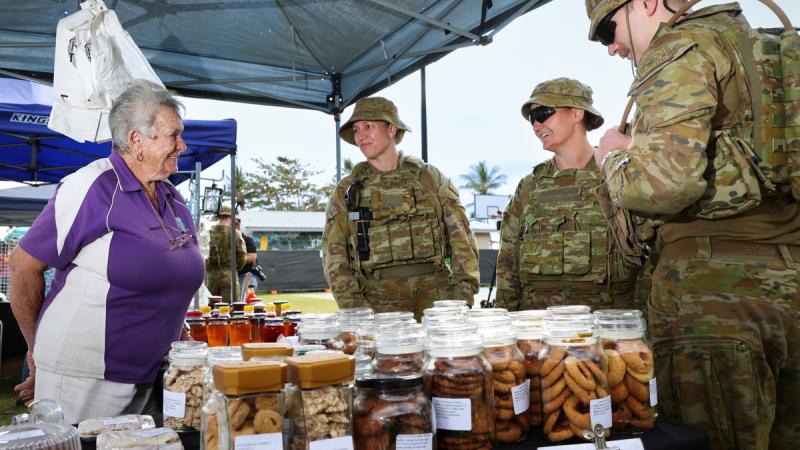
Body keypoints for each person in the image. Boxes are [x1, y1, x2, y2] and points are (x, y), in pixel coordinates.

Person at [585, 1, 800, 448]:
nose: (612, 48)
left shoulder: (681, 46)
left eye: (608, 30)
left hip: (715, 301)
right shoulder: (765, 46)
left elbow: (662, 185)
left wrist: (614, 155)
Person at [9, 80, 205, 424]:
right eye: (173, 135)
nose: (182, 145)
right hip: (85, 380)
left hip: (155, 374)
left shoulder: (173, 198)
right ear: (136, 140)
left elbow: (169, 275)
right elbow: (23, 266)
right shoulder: (92, 187)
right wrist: (36, 350)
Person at [322, 97, 480, 318]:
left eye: (369, 126)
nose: (361, 136)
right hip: (377, 303)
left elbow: (461, 239)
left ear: (391, 129)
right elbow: (334, 254)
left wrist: (463, 296)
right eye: (357, 129)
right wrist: (355, 309)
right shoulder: (349, 189)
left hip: (438, 300)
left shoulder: (429, 178)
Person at [495, 78, 641, 311]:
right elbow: (507, 265)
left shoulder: (617, 174)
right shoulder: (529, 187)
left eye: (543, 114)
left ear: (576, 114)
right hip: (539, 329)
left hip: (608, 325)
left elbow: (647, 256)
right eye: (532, 119)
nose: (536, 125)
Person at [205, 205, 246, 304]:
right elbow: (242, 256)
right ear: (231, 217)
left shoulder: (207, 233)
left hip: (211, 277)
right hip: (229, 276)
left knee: (211, 310)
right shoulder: (235, 234)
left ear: (218, 217)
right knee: (230, 308)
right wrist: (234, 269)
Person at [236, 218, 259, 291]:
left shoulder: (247, 240)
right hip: (231, 277)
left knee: (244, 301)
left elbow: (252, 257)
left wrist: (231, 260)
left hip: (245, 276)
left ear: (238, 225)